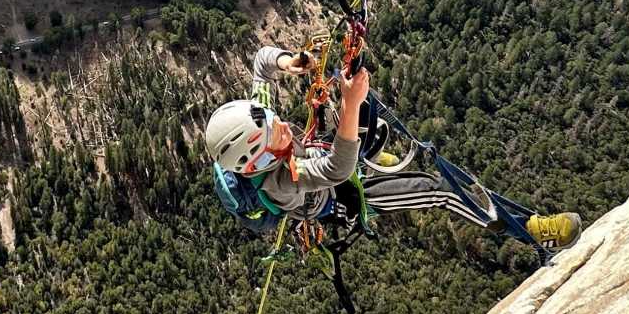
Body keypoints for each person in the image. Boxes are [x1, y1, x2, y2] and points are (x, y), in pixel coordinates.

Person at [205, 42, 582, 253]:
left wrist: (290, 63)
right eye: (277, 135)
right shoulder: (282, 182)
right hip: (343, 196)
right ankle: (531, 231)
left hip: (325, 158)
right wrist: (349, 104)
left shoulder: (259, 131)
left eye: (275, 121)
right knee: (436, 191)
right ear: (259, 162)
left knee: (368, 124)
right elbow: (337, 169)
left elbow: (260, 64)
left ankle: (376, 153)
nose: (284, 126)